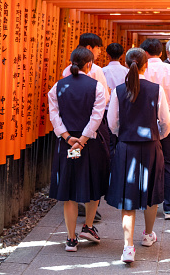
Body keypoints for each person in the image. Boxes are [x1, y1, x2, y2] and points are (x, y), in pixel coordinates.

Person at [106, 48, 170, 263]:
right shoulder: (156, 89)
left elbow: (112, 122)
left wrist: (123, 134)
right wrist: (157, 136)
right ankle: (147, 235)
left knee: (128, 197)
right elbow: (166, 122)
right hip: (151, 146)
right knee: (151, 190)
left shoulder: (118, 90)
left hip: (126, 146)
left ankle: (128, 247)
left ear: (127, 64)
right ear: (146, 65)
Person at [48, 47, 109, 252]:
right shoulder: (97, 86)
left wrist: (67, 137)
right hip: (88, 143)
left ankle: (71, 239)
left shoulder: (58, 86)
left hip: (67, 142)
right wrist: (82, 139)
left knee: (69, 188)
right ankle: (89, 227)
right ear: (90, 64)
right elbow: (97, 116)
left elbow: (54, 115)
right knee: (93, 184)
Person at [63, 33, 110, 220]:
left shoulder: (67, 70)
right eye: (98, 48)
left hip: (70, 128)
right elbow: (104, 99)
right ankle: (89, 206)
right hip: (91, 128)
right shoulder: (96, 70)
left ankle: (75, 199)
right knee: (91, 166)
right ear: (90, 48)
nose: (99, 52)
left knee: (75, 161)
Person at [140, 38, 170, 220]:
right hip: (169, 115)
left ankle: (148, 203)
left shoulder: (141, 68)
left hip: (144, 116)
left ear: (144, 53)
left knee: (147, 160)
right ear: (161, 53)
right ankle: (169, 208)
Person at [102, 43, 129, 158]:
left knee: (108, 142)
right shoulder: (126, 71)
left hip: (106, 110)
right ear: (122, 55)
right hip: (123, 110)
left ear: (107, 55)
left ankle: (109, 169)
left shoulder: (103, 71)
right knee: (121, 141)